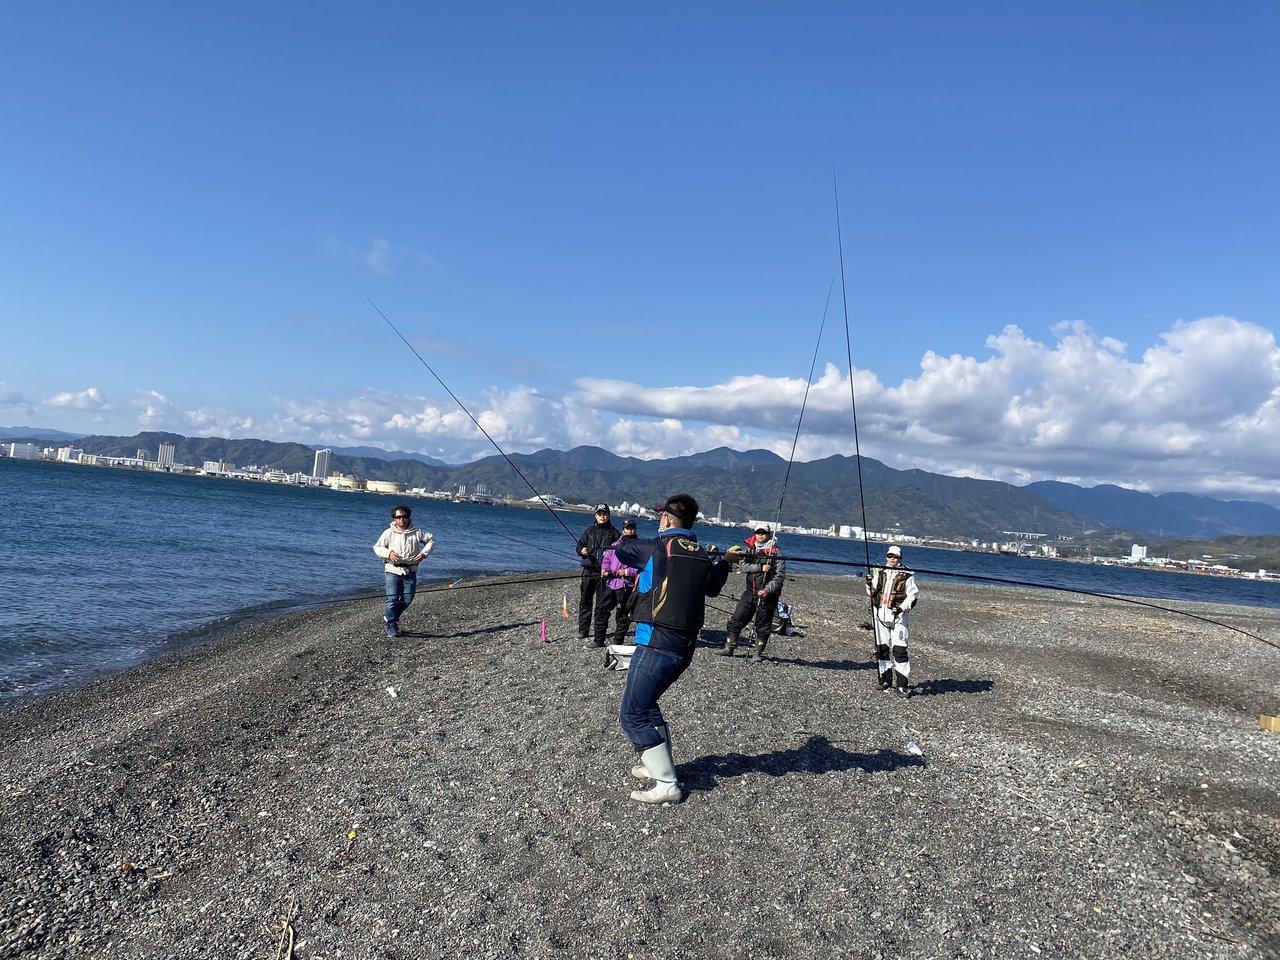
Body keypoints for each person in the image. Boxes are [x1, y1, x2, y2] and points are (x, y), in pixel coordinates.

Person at [612, 493, 728, 804]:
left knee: (632, 713)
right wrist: (727, 562)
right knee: (648, 704)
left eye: (661, 517)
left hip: (656, 642)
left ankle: (666, 783)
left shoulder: (656, 547)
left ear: (666, 519)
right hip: (684, 645)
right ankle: (656, 766)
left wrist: (627, 539)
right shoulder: (702, 554)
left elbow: (622, 551)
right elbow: (714, 586)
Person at [715, 525, 786, 662]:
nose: (760, 535)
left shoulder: (776, 552)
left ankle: (757, 654)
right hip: (749, 592)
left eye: (763, 533)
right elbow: (743, 567)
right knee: (736, 620)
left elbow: (779, 577)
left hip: (767, 596)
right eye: (758, 532)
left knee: (763, 625)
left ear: (769, 534)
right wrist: (760, 567)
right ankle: (729, 647)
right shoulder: (748, 549)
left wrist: (767, 590)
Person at [372, 504, 434, 638]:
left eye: (404, 516)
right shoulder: (388, 533)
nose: (401, 519)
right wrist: (388, 553)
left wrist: (424, 554)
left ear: (408, 517)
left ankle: (390, 617)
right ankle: (391, 625)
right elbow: (377, 547)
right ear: (394, 519)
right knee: (392, 598)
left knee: (408, 597)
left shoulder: (417, 532)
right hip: (392, 569)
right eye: (398, 517)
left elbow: (431, 540)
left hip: (411, 569)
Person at [866, 545, 920, 697]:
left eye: (895, 557)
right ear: (886, 557)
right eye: (890, 556)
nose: (892, 559)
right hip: (880, 617)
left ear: (900, 558)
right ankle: (885, 680)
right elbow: (871, 592)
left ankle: (902, 685)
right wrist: (869, 583)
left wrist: (902, 608)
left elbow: (913, 596)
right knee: (882, 649)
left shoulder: (907, 575)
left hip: (899, 619)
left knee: (899, 651)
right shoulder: (880, 572)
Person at [577, 504, 619, 647]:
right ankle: (583, 630)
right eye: (599, 513)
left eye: (605, 513)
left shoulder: (614, 533)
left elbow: (619, 554)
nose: (602, 516)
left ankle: (599, 632)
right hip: (589, 572)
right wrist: (581, 550)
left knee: (601, 605)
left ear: (609, 515)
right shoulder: (589, 531)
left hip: (604, 574)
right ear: (595, 515)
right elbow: (579, 546)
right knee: (585, 601)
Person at [594, 518, 639, 646]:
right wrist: (604, 569)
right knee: (601, 610)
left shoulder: (638, 546)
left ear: (635, 529)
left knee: (622, 615)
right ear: (623, 529)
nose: (629, 530)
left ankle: (617, 642)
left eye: (632, 528)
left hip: (626, 585)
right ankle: (598, 640)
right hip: (611, 583)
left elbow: (640, 565)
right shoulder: (614, 545)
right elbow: (607, 559)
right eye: (627, 528)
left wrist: (627, 572)